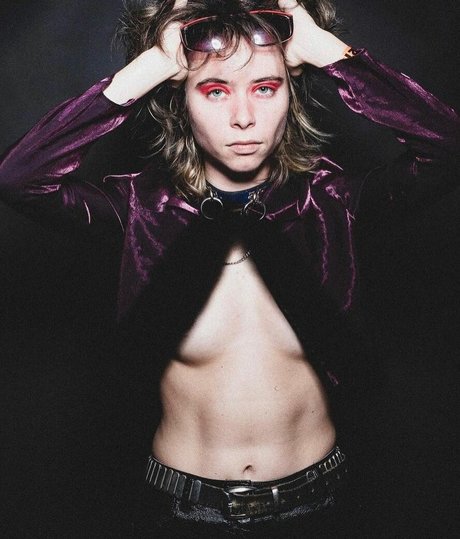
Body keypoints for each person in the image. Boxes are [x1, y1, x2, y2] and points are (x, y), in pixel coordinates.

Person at [0, 0, 458, 537]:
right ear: (181, 100)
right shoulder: (141, 212)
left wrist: (334, 56)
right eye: (215, 91)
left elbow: (447, 148)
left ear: (290, 93)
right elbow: (20, 177)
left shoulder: (332, 205)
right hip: (181, 513)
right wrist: (150, 67)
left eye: (265, 87)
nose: (243, 117)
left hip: (320, 510)